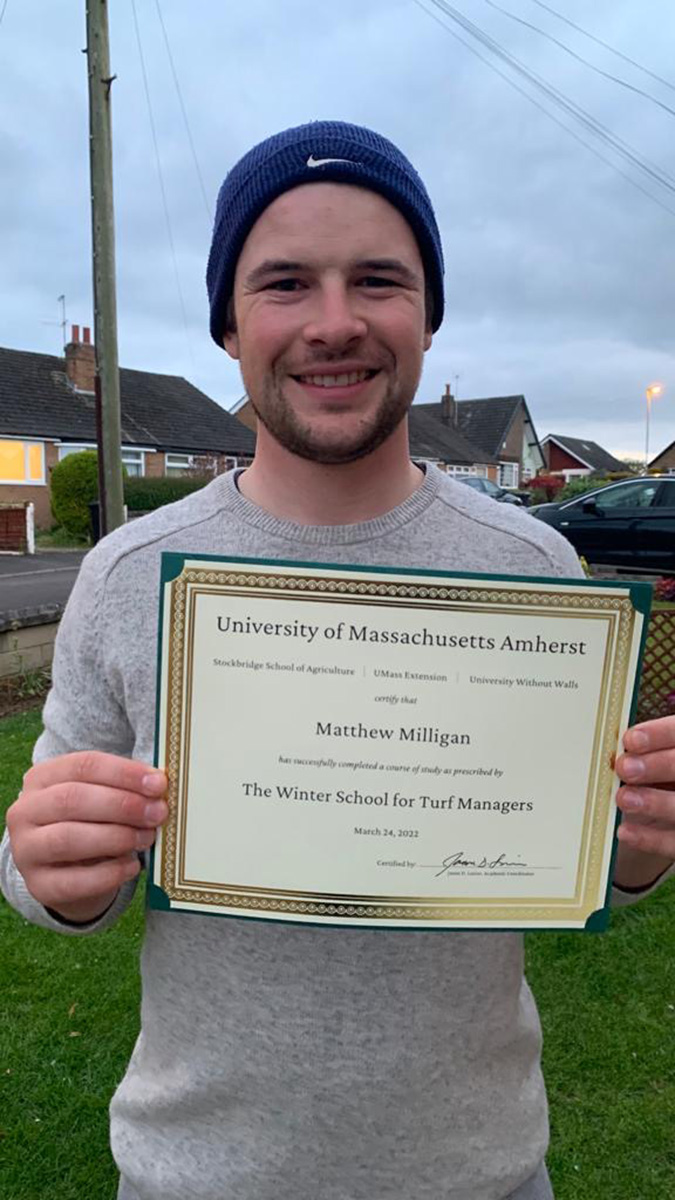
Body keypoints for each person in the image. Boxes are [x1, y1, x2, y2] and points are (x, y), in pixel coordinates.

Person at [2, 121, 674, 1200]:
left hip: (480, 1177)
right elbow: (40, 872)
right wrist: (49, 863)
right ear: (229, 322)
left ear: (427, 313)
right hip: (194, 1177)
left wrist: (640, 845)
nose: (333, 323)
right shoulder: (131, 574)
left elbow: (588, 856)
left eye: (377, 279)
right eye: (283, 283)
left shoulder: (533, 564)